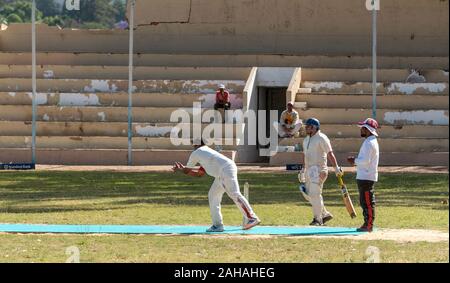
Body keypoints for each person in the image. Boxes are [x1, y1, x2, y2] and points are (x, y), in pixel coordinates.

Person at [172, 139, 260, 232]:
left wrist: (180, 169)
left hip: (225, 170)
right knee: (213, 195)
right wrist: (183, 170)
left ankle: (252, 217)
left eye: (193, 144)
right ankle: (218, 225)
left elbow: (186, 170)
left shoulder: (197, 153)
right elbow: (199, 174)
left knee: (234, 194)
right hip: (222, 173)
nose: (192, 146)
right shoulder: (206, 153)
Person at [299, 118, 343, 226]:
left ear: (314, 127)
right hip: (309, 171)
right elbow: (305, 156)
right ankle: (324, 213)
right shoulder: (305, 140)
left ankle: (317, 219)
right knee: (309, 194)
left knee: (314, 193)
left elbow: (330, 153)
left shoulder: (322, 138)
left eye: (308, 126)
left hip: (320, 170)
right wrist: (303, 170)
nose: (306, 128)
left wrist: (336, 168)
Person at [347, 118, 380, 232]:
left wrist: (354, 161)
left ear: (368, 129)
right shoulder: (369, 141)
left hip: (366, 177)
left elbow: (365, 161)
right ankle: (367, 223)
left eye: (363, 128)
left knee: (367, 202)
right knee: (364, 201)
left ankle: (369, 224)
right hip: (364, 176)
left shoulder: (370, 143)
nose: (361, 129)